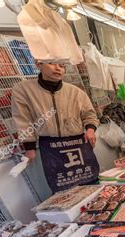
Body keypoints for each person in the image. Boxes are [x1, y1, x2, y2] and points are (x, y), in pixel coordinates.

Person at [12, 62, 100, 193]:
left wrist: (90, 129)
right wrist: (29, 147)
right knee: (62, 190)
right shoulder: (23, 90)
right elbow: (23, 120)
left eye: (62, 65)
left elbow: (89, 114)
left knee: (91, 184)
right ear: (38, 64)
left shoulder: (75, 91)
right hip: (50, 146)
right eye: (52, 63)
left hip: (78, 143)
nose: (58, 68)